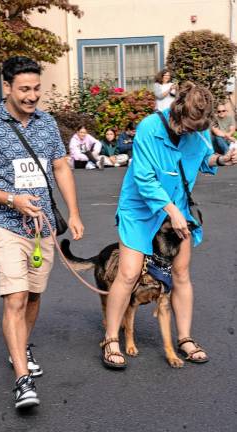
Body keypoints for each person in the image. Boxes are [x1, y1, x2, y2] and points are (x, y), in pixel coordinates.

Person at [0, 56, 84, 408]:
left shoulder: (47, 123)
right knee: (15, 297)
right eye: (24, 90)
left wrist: (74, 213)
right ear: (7, 88)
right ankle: (22, 378)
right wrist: (11, 199)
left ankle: (21, 346)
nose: (32, 96)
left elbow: (61, 167)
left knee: (33, 295)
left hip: (42, 227)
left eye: (36, 89)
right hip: (6, 226)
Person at [100, 82, 237, 369]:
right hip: (140, 207)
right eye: (187, 126)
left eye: (196, 128)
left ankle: (185, 337)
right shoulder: (150, 128)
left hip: (176, 207)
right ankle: (111, 338)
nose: (190, 132)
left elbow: (202, 159)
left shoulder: (198, 131)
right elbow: (145, 178)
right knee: (128, 272)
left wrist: (221, 158)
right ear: (176, 112)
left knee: (181, 273)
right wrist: (171, 211)